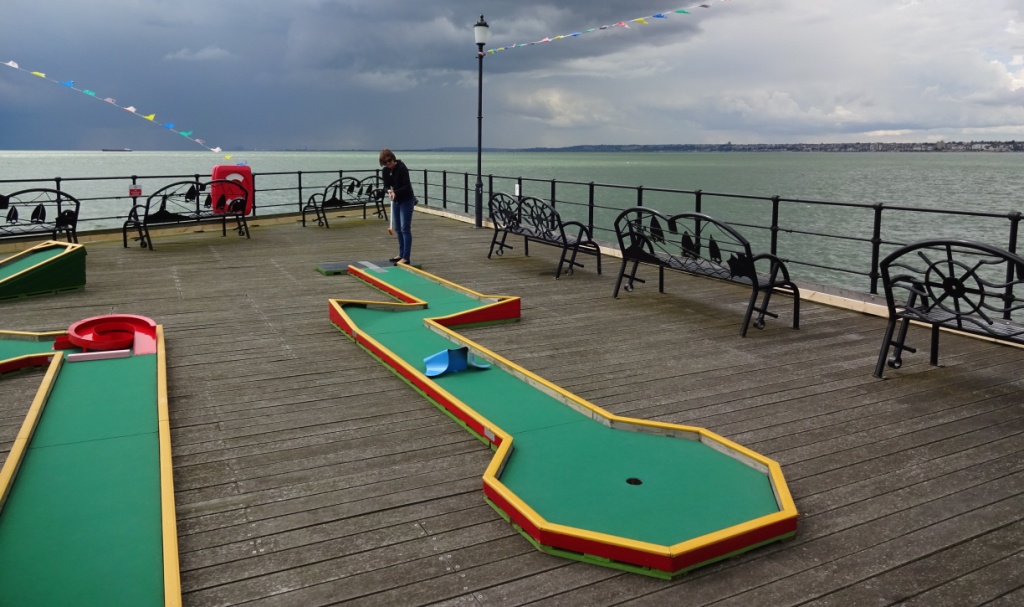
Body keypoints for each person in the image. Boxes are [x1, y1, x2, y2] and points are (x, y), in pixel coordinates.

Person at [379, 148, 417, 264]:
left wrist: (395, 192)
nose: (388, 164)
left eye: (389, 160)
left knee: (405, 228)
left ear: (393, 158)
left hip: (407, 200)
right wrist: (389, 191)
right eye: (385, 162)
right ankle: (401, 254)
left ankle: (406, 257)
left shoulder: (402, 168)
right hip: (396, 201)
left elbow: (406, 186)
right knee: (398, 228)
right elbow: (386, 186)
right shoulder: (385, 171)